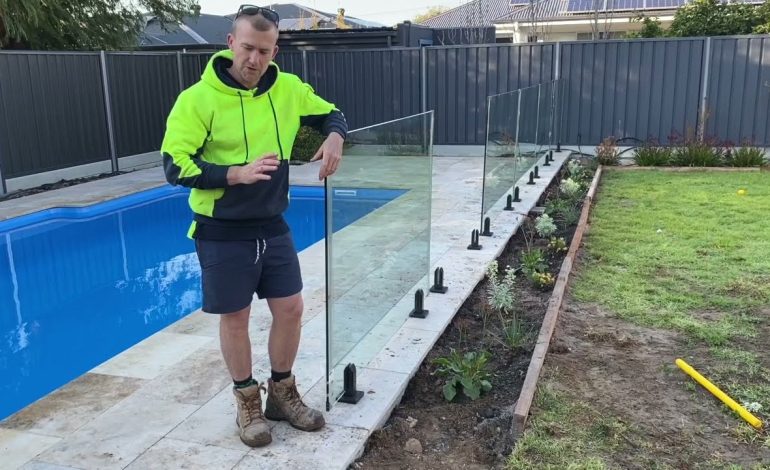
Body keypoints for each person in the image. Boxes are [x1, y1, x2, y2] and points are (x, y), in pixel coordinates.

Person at [160, 5, 347, 448]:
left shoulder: (287, 89)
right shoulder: (196, 100)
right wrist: (234, 174)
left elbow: (331, 113)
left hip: (273, 224)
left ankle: (281, 393)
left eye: (264, 51)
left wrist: (336, 136)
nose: (254, 60)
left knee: (291, 309)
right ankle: (247, 399)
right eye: (247, 48)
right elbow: (174, 166)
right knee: (236, 316)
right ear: (230, 43)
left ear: (274, 50)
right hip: (221, 229)